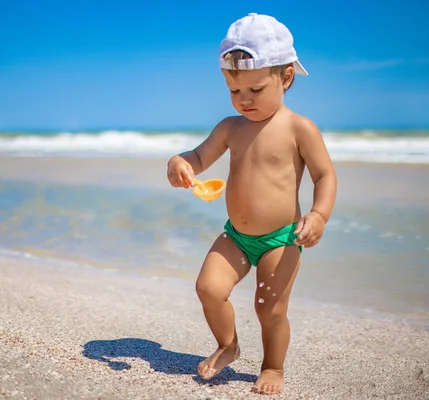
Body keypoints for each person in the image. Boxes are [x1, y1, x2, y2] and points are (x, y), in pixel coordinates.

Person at [166, 12, 337, 395]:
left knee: (270, 310)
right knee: (208, 288)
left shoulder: (299, 128)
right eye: (234, 91)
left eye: (255, 90)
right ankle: (228, 344)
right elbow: (198, 156)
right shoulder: (230, 127)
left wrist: (319, 214)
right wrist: (180, 163)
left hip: (281, 238)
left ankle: (273, 367)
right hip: (237, 236)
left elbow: (324, 175)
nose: (244, 100)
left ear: (286, 78)